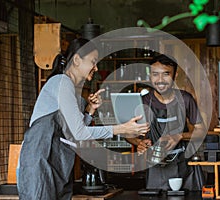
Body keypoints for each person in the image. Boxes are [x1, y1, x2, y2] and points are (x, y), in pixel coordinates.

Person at [17, 38, 149, 199]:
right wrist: (121, 128)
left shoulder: (73, 90)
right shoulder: (61, 82)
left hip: (57, 164)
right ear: (77, 60)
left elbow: (72, 133)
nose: (96, 67)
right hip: (41, 162)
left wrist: (89, 111)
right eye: (93, 62)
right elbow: (79, 133)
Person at [126, 54, 206, 191]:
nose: (160, 80)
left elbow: (201, 131)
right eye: (155, 74)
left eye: (166, 74)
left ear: (175, 75)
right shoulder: (143, 102)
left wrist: (179, 136)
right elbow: (128, 134)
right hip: (155, 168)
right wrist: (139, 143)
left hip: (184, 166)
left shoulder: (185, 99)